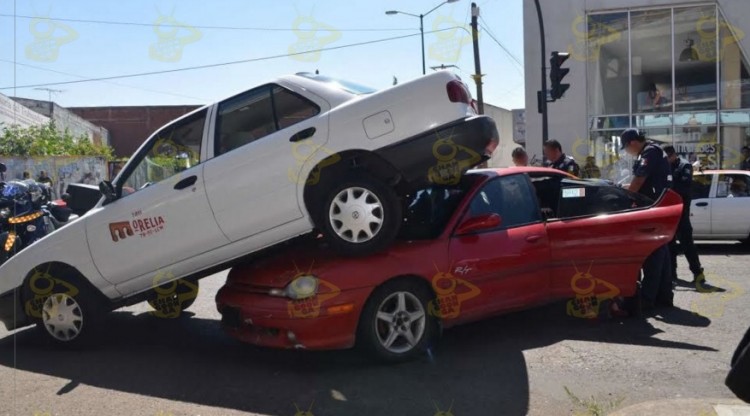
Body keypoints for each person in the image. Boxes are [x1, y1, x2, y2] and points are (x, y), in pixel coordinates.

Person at [621, 129, 673, 309]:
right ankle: (664, 297)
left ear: (633, 143)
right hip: (659, 207)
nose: (627, 151)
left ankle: (648, 300)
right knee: (662, 253)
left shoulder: (649, 152)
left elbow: (639, 181)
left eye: (626, 147)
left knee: (652, 256)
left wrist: (623, 195)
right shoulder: (654, 150)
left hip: (652, 208)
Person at [662, 144, 708, 290]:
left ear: (672, 155)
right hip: (669, 212)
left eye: (666, 158)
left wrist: (667, 186)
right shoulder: (665, 167)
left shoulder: (685, 166)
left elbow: (683, 187)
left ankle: (698, 274)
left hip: (681, 212)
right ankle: (672, 275)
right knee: (670, 246)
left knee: (688, 244)